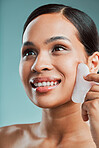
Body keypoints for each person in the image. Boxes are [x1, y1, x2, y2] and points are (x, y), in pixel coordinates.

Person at [0, 4, 99, 148]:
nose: (38, 65)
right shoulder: (4, 140)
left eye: (58, 48)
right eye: (29, 52)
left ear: (93, 63)